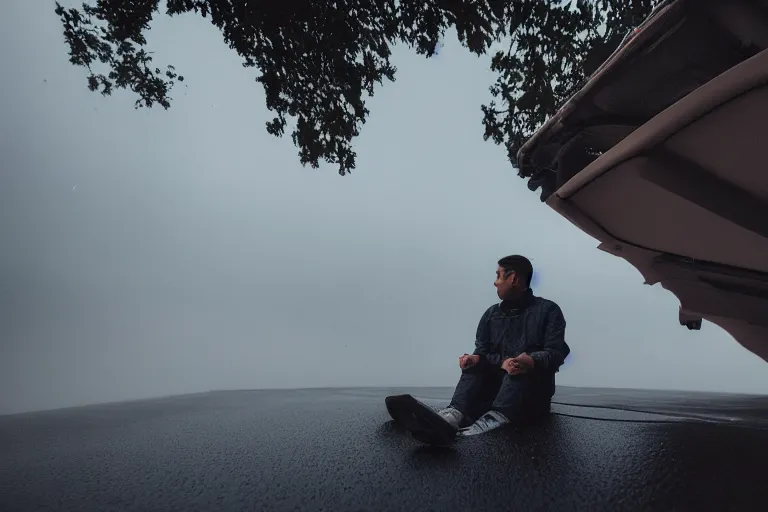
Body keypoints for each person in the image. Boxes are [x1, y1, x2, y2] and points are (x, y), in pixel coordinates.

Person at [438, 255, 571, 437]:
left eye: (498, 275)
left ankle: (494, 419)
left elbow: (556, 352)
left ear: (513, 278)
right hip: (492, 392)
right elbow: (483, 353)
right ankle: (453, 414)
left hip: (530, 397)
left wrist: (531, 361)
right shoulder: (491, 314)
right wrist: (476, 358)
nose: (495, 283)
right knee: (475, 364)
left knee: (518, 368)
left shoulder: (548, 310)